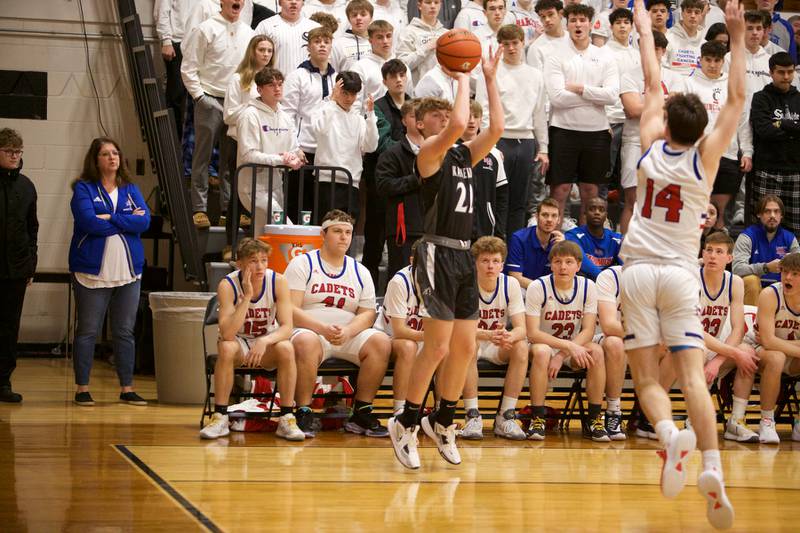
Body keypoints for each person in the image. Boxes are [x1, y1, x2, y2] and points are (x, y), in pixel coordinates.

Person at [618, 1, 744, 527]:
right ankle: (711, 464)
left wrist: (645, 30)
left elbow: (652, 79)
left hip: (637, 271)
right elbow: (736, 96)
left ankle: (670, 436)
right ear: (702, 127)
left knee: (648, 378)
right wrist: (735, 34)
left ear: (668, 121)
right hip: (679, 273)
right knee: (692, 375)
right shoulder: (707, 158)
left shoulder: (648, 149)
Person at [388, 47, 505, 470]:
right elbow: (460, 122)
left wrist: (489, 77)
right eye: (434, 118)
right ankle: (405, 421)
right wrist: (461, 72)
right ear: (422, 125)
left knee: (464, 348)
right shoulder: (429, 156)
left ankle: (445, 420)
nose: (449, 121)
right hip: (435, 249)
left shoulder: (464, 156)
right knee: (436, 347)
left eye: (446, 116)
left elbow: (496, 129)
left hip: (464, 255)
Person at [286, 209, 391, 437]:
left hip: (347, 334)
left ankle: (362, 412)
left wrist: (349, 330)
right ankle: (303, 410)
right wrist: (322, 328)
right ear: (323, 234)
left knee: (381, 342)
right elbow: (290, 309)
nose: (344, 237)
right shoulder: (302, 263)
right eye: (337, 231)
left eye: (348, 232)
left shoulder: (360, 270)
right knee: (305, 341)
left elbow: (367, 314)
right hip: (310, 331)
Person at [69, 138, 151, 407]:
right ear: (96, 160)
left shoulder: (130, 189)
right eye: (105, 154)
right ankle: (82, 388)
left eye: (115, 153)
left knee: (124, 331)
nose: (112, 158)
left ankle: (127, 388)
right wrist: (127, 222)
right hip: (92, 272)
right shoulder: (83, 188)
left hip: (128, 272)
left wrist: (111, 218)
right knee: (88, 331)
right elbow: (87, 222)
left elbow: (145, 222)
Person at [200, 238, 305, 441]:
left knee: (286, 348)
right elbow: (228, 333)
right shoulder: (227, 285)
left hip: (264, 343)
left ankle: (286, 418)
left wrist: (265, 341)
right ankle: (220, 417)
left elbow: (287, 327)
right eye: (253, 261)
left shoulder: (278, 281)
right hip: (239, 342)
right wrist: (247, 297)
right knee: (227, 347)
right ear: (239, 264)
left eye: (264, 260)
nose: (260, 266)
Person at [181, 0, 255, 228]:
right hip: (210, 98)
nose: (237, 2)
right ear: (221, 2)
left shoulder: (249, 32)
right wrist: (200, 98)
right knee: (202, 156)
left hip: (236, 102)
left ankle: (227, 208)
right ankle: (199, 208)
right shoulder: (205, 28)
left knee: (230, 158)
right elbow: (188, 67)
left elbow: (252, 68)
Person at [526, 240, 610, 441]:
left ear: (578, 266)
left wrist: (564, 353)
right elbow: (532, 333)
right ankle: (538, 418)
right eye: (557, 261)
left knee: (597, 352)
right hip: (544, 344)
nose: (563, 267)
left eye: (569, 262)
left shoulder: (588, 286)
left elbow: (589, 330)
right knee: (542, 351)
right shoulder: (537, 287)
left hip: (573, 347)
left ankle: (594, 418)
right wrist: (567, 347)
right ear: (551, 265)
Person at [544, 3, 619, 223]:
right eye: (574, 20)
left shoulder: (605, 56)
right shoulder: (556, 55)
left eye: (582, 20)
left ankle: (586, 243)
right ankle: (555, 241)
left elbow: (612, 95)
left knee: (590, 192)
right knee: (560, 190)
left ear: (590, 24)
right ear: (567, 24)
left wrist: (580, 88)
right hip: (563, 130)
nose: (578, 24)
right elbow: (557, 97)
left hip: (596, 132)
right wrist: (595, 96)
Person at [475, 24, 548, 238]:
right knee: (496, 199)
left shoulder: (535, 75)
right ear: (500, 46)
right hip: (499, 140)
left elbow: (539, 114)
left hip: (525, 141)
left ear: (523, 43)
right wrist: (488, 143)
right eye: (506, 44)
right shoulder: (490, 72)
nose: (511, 48)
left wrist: (543, 147)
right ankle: (493, 246)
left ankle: (513, 252)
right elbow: (483, 108)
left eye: (515, 43)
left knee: (520, 201)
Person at [690, 232, 760, 443]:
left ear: (729, 258)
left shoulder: (735, 282)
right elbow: (692, 327)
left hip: (717, 348)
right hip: (688, 345)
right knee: (698, 350)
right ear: (702, 252)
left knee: (747, 352)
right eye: (709, 250)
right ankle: (694, 419)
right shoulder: (691, 277)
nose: (712, 256)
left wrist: (718, 360)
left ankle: (736, 421)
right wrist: (725, 354)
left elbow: (738, 329)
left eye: (719, 252)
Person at [460, 237, 529, 440]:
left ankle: (505, 417)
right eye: (485, 260)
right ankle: (472, 415)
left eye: (496, 261)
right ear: (476, 263)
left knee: (521, 346)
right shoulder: (465, 284)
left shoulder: (511, 284)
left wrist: (509, 335)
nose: (491, 266)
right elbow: (458, 328)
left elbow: (522, 328)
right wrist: (487, 334)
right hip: (472, 341)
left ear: (502, 264)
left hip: (497, 343)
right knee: (468, 344)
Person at [619, 29, 684, 234]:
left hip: (664, 144)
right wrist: (665, 101)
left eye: (655, 48)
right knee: (632, 200)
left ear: (663, 51)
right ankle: (625, 254)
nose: (650, 52)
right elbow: (631, 110)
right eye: (646, 48)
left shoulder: (675, 77)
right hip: (634, 141)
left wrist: (646, 104)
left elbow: (676, 112)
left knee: (660, 200)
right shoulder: (629, 76)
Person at [683, 40, 753, 228]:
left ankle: (722, 253)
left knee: (720, 213)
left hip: (728, 155)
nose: (712, 65)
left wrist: (747, 151)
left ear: (724, 61)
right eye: (708, 60)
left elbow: (743, 121)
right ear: (700, 60)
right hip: (698, 156)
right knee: (697, 209)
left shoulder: (733, 84)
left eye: (717, 60)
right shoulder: (688, 83)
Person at [236, 67, 306, 235]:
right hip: (252, 185)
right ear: (259, 89)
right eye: (271, 85)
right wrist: (281, 160)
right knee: (284, 227)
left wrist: (295, 159)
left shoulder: (285, 116)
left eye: (280, 84)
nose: (277, 89)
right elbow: (248, 154)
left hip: (276, 183)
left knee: (265, 234)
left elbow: (293, 149)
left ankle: (259, 261)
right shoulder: (249, 115)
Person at [741, 252, 800, 443]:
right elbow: (767, 341)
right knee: (776, 357)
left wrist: (781, 344)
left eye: (795, 274)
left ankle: (798, 423)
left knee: (780, 355)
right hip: (758, 350)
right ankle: (767, 421)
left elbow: (775, 340)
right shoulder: (770, 294)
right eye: (785, 272)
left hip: (789, 354)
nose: (787, 278)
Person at [223, 34, 275, 242]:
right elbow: (228, 115)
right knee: (238, 195)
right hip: (238, 142)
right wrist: (255, 107)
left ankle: (258, 243)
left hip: (265, 145)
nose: (265, 54)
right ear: (252, 51)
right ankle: (231, 242)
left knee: (260, 196)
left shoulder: (274, 80)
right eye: (261, 49)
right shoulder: (238, 78)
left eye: (269, 50)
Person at [282, 27, 337, 219]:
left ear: (331, 46)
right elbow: (287, 114)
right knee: (297, 204)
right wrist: (294, 147)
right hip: (302, 150)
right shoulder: (297, 75)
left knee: (321, 207)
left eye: (326, 41)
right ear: (309, 46)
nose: (322, 45)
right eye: (317, 41)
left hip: (326, 151)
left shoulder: (337, 77)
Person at [0, 129, 37, 403]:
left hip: (16, 270)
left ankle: (3, 381)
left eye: (18, 152)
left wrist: (30, 264)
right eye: (10, 152)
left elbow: (31, 228)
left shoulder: (26, 186)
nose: (15, 156)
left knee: (9, 326)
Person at [311, 72, 378, 220]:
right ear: (336, 90)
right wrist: (331, 100)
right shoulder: (323, 109)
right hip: (327, 180)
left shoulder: (359, 120)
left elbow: (370, 146)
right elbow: (320, 128)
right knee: (326, 228)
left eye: (353, 94)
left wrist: (371, 115)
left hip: (351, 181)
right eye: (345, 93)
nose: (349, 99)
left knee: (348, 231)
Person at [748, 52, 800, 235]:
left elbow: (773, 129)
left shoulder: (798, 98)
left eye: (790, 72)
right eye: (781, 72)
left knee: (796, 227)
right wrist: (793, 129)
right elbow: (764, 131)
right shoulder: (760, 98)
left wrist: (779, 123)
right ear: (771, 72)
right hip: (767, 168)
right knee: (764, 226)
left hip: (795, 170)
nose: (786, 77)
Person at [375, 99, 425, 278]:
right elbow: (382, 186)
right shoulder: (392, 153)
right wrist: (415, 180)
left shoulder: (437, 151)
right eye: (414, 116)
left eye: (422, 115)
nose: (420, 120)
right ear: (404, 120)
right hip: (403, 229)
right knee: (401, 280)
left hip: (432, 229)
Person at [375, 241, 424, 415]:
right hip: (389, 339)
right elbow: (399, 331)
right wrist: (434, 336)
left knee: (446, 349)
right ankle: (401, 411)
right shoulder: (400, 282)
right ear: (412, 261)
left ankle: (440, 413)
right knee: (408, 346)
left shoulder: (441, 282)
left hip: (422, 338)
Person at [732, 195, 799, 305]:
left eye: (776, 211)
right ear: (759, 214)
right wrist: (766, 267)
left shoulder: (790, 238)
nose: (772, 215)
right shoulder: (747, 236)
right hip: (754, 291)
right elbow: (737, 269)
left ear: (781, 215)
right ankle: (751, 320)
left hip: (782, 289)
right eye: (767, 211)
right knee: (751, 280)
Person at [461, 100, 508, 240]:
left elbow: (502, 196)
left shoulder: (494, 154)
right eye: (467, 116)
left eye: (475, 116)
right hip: (456, 231)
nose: (471, 121)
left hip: (485, 229)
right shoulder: (449, 151)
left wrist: (499, 231)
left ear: (481, 119)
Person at [594, 264, 628, 440]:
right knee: (616, 343)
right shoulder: (610, 276)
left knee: (667, 347)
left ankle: (646, 416)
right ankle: (613, 411)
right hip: (602, 340)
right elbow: (608, 326)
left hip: (641, 342)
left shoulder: (657, 278)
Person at [505, 197, 563, 289]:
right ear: (536, 217)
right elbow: (515, 276)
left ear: (559, 219)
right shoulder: (519, 238)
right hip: (522, 289)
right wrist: (543, 290)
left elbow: (565, 276)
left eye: (554, 216)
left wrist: (562, 249)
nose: (549, 220)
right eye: (545, 215)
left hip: (548, 292)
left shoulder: (560, 242)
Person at [255, 0, 321, 76]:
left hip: (308, 84)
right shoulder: (265, 26)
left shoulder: (315, 28)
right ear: (279, 2)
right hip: (275, 84)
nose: (293, 2)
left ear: (303, 2)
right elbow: (254, 59)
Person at [565, 197, 622, 280]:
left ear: (606, 215)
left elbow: (625, 266)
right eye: (592, 209)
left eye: (601, 210)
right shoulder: (573, 235)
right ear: (585, 213)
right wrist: (605, 280)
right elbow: (582, 261)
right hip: (583, 284)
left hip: (609, 286)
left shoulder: (616, 239)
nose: (597, 213)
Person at [154, 0, 189, 138]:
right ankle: (174, 139)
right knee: (176, 95)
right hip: (177, 42)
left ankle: (188, 141)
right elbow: (161, 12)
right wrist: (166, 40)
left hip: (199, 43)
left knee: (196, 98)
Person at [397, 0, 447, 86]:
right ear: (419, 5)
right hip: (419, 94)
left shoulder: (447, 34)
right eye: (428, 2)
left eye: (436, 2)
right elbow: (401, 66)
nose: (432, 6)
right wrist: (426, 48)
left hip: (444, 92)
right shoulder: (408, 32)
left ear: (440, 5)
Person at [664, 0, 705, 76]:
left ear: (701, 15)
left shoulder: (705, 44)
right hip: (672, 85)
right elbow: (662, 68)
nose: (693, 15)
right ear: (682, 13)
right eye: (689, 11)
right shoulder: (667, 37)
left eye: (697, 12)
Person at [330, 0, 373, 71]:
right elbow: (333, 72)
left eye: (363, 14)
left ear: (371, 18)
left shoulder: (378, 41)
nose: (358, 18)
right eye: (354, 15)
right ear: (349, 19)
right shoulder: (338, 44)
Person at [526, 0, 568, 71]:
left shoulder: (573, 38)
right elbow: (537, 80)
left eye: (550, 14)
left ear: (561, 14)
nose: (547, 19)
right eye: (543, 16)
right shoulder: (535, 48)